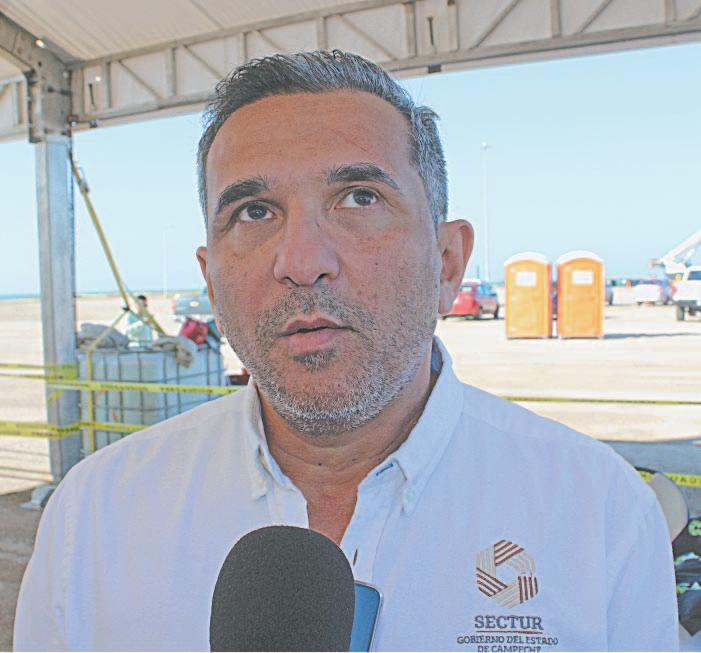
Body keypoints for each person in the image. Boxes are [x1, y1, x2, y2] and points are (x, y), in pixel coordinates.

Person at [14, 51, 678, 651]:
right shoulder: (94, 518)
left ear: (448, 262)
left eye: (359, 198)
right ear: (211, 280)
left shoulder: (598, 513)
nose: (302, 261)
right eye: (254, 211)